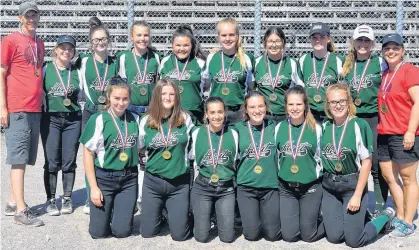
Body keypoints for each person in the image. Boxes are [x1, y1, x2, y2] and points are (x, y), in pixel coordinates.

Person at [321, 84, 395, 247]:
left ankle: (384, 218)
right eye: (333, 102)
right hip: (330, 187)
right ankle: (362, 217)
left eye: (342, 101)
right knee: (334, 237)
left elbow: (367, 163)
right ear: (327, 105)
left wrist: (357, 195)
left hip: (351, 187)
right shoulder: (325, 126)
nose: (337, 105)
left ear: (349, 102)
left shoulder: (359, 125)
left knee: (354, 241)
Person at [1, 1, 45, 226]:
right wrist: (2, 106)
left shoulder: (39, 42)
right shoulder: (9, 40)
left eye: (34, 15)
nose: (31, 19)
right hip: (17, 107)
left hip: (34, 107)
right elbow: (1, 73)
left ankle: (11, 202)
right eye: (27, 16)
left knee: (24, 158)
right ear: (20, 18)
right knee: (18, 159)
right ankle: (20, 210)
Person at [79, 76, 140, 238]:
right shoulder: (98, 119)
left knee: (122, 232)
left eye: (125, 99)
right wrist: (93, 188)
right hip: (104, 179)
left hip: (129, 179)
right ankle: (110, 210)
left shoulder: (135, 119)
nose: (121, 103)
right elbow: (88, 153)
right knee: (98, 233)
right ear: (108, 97)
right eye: (116, 98)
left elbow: (143, 148)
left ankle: (121, 210)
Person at [138, 78, 194, 241]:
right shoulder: (146, 120)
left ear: (177, 96)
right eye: (163, 94)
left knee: (180, 235)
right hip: (153, 183)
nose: (168, 97)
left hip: (178, 183)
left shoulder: (185, 118)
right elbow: (139, 147)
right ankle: (161, 212)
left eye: (172, 94)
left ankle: (174, 212)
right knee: (147, 232)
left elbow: (192, 149)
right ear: (157, 96)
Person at [341, 25, 389, 215]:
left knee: (376, 163)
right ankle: (354, 201)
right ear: (353, 43)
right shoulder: (346, 64)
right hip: (353, 119)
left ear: (373, 43)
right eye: (359, 40)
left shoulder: (380, 62)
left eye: (366, 40)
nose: (363, 44)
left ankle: (379, 206)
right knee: (353, 162)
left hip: (374, 119)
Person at [377, 33, 419, 238]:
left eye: (395, 47)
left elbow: (418, 102)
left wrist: (411, 131)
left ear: (403, 50)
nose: (391, 51)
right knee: (388, 175)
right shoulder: (386, 73)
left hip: (403, 132)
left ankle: (409, 222)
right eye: (387, 48)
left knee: (408, 178)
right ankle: (401, 215)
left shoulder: (410, 71)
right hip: (385, 132)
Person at [78, 16, 119, 214]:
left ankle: (110, 194)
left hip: (111, 113)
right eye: (96, 40)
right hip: (91, 112)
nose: (100, 43)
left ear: (108, 40)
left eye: (103, 39)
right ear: (91, 43)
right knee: (89, 154)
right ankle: (89, 196)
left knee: (110, 153)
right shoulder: (83, 62)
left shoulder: (117, 61)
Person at [275, 86, 324, 242]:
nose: (294, 108)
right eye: (291, 104)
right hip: (287, 189)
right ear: (286, 106)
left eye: (298, 104)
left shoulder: (316, 128)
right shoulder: (278, 128)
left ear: (305, 106)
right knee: (289, 236)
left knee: (308, 236)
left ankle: (330, 220)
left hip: (310, 186)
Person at [41, 35, 81, 216]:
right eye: (63, 48)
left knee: (69, 160)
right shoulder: (45, 69)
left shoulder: (77, 71)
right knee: (51, 160)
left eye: (70, 48)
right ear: (56, 49)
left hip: (73, 119)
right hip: (51, 118)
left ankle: (66, 197)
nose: (66, 51)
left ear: (73, 52)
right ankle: (50, 199)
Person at [190, 96, 238, 243]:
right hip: (203, 188)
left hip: (226, 189)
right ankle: (204, 219)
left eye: (220, 112)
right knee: (201, 237)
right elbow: (192, 161)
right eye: (212, 112)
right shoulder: (196, 133)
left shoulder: (234, 134)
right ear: (206, 114)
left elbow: (236, 161)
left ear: (225, 113)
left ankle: (221, 218)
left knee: (227, 238)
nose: (216, 116)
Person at [234, 91, 281, 241]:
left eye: (261, 106)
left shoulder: (275, 127)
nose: (257, 110)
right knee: (252, 235)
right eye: (252, 107)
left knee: (273, 235)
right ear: (246, 109)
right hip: (246, 187)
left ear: (266, 107)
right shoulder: (237, 128)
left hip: (270, 188)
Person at [203, 17, 254, 124]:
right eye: (224, 35)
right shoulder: (211, 58)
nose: (227, 39)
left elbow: (251, 87)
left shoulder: (246, 58)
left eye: (231, 35)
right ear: (218, 37)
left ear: (237, 36)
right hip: (216, 113)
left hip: (239, 113)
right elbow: (206, 84)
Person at [254, 27, 304, 122]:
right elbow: (251, 87)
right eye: (270, 41)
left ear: (283, 43)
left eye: (277, 41)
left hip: (284, 115)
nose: (274, 45)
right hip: (262, 115)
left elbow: (301, 89)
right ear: (265, 43)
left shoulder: (292, 63)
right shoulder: (256, 62)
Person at [160, 25, 206, 123]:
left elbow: (207, 85)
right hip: (170, 112)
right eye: (178, 45)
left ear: (192, 45)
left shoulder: (200, 63)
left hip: (194, 113)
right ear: (172, 45)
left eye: (186, 45)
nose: (182, 49)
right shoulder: (165, 61)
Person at [298, 22, 344, 121]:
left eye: (322, 37)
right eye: (314, 38)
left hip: (331, 113)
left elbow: (342, 88)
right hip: (309, 113)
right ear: (310, 40)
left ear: (328, 39)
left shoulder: (338, 60)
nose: (318, 40)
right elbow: (299, 87)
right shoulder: (303, 60)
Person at [118, 20, 160, 116]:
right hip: (129, 110)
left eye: (146, 35)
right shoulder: (124, 57)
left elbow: (158, 83)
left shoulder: (155, 57)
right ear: (132, 37)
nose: (142, 38)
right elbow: (120, 85)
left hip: (151, 110)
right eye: (139, 35)